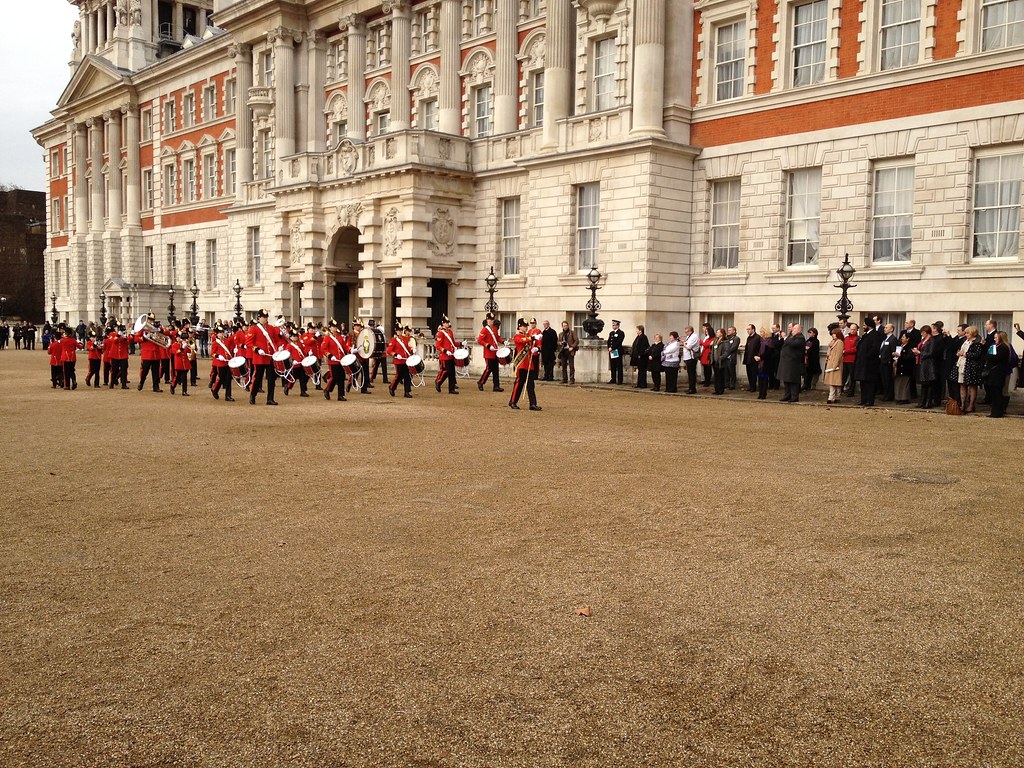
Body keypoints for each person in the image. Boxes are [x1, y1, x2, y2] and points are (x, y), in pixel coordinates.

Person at [248, 309, 281, 406]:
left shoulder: (271, 328)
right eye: (264, 317)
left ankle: (270, 398)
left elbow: (276, 340)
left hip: (270, 357)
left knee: (271, 379)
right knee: (257, 378)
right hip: (260, 357)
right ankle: (252, 395)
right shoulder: (254, 329)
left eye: (266, 317)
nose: (266, 319)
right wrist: (257, 349)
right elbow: (249, 343)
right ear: (259, 318)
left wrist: (279, 347)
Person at [508, 318, 541, 410]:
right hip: (521, 363)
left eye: (526, 326)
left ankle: (532, 404)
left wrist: (537, 349)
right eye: (524, 326)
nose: (526, 328)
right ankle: (513, 401)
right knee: (519, 384)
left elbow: (531, 345)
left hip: (529, 363)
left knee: (531, 385)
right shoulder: (517, 336)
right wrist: (532, 338)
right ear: (519, 327)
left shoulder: (528, 336)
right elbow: (521, 341)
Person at [955, 326, 985, 414]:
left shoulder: (977, 343)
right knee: (962, 385)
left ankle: (971, 405)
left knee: (972, 386)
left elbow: (977, 354)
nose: (966, 334)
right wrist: (959, 353)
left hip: (971, 366)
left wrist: (964, 353)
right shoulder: (965, 341)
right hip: (962, 364)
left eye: (968, 333)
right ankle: (963, 404)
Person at [854, 319, 882, 406]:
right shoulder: (866, 335)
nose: (863, 326)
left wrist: (867, 356)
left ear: (869, 325)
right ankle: (864, 399)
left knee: (870, 383)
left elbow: (875, 348)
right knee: (863, 382)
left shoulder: (875, 335)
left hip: (870, 364)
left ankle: (870, 400)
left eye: (864, 325)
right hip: (862, 363)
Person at [135, 314, 165, 392]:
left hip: (156, 353)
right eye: (150, 319)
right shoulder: (143, 329)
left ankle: (156, 386)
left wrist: (161, 331)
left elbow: (164, 336)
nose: (151, 321)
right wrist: (144, 338)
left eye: (152, 320)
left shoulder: (157, 328)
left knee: (156, 372)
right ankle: (141, 383)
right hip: (147, 354)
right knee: (145, 370)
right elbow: (136, 338)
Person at [322, 320, 349, 401]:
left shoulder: (339, 336)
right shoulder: (327, 337)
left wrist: (350, 350)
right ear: (330, 327)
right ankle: (327, 390)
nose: (335, 328)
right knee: (334, 377)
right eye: (333, 327)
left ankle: (340, 395)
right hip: (333, 361)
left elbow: (344, 347)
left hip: (341, 360)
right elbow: (323, 349)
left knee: (342, 377)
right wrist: (330, 356)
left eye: (335, 327)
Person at [913, 324, 939, 409]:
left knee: (929, 384)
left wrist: (920, 353)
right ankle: (922, 401)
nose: (922, 334)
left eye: (923, 333)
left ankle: (928, 402)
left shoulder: (931, 340)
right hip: (923, 363)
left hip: (929, 364)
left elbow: (931, 352)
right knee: (924, 384)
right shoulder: (923, 340)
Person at [477, 313, 505, 392]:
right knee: (488, 369)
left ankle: (496, 386)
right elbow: (480, 340)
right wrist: (488, 345)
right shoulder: (485, 329)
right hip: (488, 353)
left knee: (496, 370)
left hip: (495, 352)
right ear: (487, 320)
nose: (491, 321)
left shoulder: (495, 328)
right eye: (490, 319)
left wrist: (503, 342)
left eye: (493, 319)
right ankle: (481, 382)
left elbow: (497, 338)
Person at [778, 323, 806, 402]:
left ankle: (794, 396)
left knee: (793, 380)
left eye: (794, 329)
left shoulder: (800, 338)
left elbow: (794, 344)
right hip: (786, 362)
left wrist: (785, 337)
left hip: (794, 362)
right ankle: (787, 395)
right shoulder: (792, 337)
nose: (792, 330)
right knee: (786, 380)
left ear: (799, 330)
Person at [987, 331, 1012, 418]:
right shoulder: (995, 346)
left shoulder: (1004, 347)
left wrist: (990, 355)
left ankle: (997, 412)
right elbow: (989, 356)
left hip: (999, 372)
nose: (994, 339)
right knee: (994, 392)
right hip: (993, 372)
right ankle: (994, 411)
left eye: (996, 338)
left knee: (997, 392)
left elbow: (995, 358)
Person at [434, 315, 461, 394]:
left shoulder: (450, 332)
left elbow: (454, 343)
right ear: (443, 324)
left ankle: (451, 389)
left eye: (448, 322)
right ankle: (438, 381)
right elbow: (438, 345)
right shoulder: (441, 333)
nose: (448, 324)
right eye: (446, 323)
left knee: (452, 373)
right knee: (447, 371)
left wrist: (461, 343)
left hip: (451, 355)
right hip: (445, 356)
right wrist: (445, 351)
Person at [386, 325, 415, 398]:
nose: (400, 332)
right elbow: (389, 350)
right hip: (398, 361)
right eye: (398, 330)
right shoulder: (394, 340)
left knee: (407, 376)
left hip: (405, 361)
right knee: (399, 376)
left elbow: (407, 348)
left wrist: (411, 351)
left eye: (401, 330)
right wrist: (395, 354)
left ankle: (407, 392)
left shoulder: (405, 338)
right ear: (396, 331)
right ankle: (392, 387)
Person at [210, 325, 235, 401]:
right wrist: (218, 356)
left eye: (222, 332)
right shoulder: (215, 343)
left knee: (228, 379)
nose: (221, 334)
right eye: (220, 333)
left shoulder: (226, 340)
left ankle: (228, 395)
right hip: (220, 363)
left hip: (227, 362)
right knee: (220, 379)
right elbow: (212, 353)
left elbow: (230, 349)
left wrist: (234, 351)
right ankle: (215, 389)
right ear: (217, 334)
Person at [823, 326, 844, 403]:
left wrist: (835, 365)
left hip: (835, 364)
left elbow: (838, 354)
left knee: (834, 381)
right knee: (834, 382)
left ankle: (832, 397)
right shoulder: (833, 342)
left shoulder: (840, 342)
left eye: (834, 334)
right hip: (830, 363)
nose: (832, 335)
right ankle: (835, 396)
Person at [878, 324, 898, 401]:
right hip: (882, 362)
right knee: (884, 379)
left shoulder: (893, 339)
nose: (884, 329)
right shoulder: (885, 339)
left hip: (888, 362)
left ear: (891, 329)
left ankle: (889, 395)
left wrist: (892, 361)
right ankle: (885, 394)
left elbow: (893, 351)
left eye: (886, 328)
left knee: (888, 379)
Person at [558, 320, 579, 385]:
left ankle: (572, 379)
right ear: (562, 326)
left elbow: (576, 341)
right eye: (564, 326)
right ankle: (564, 379)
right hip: (563, 351)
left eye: (566, 325)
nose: (565, 327)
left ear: (568, 325)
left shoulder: (572, 332)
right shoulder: (561, 334)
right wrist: (560, 343)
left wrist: (572, 347)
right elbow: (558, 342)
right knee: (563, 366)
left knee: (571, 366)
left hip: (570, 350)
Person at [842, 323, 859, 396]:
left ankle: (851, 391)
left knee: (852, 376)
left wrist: (846, 351)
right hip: (845, 359)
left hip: (852, 360)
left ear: (857, 330)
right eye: (851, 329)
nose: (852, 331)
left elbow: (856, 349)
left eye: (854, 329)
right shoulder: (846, 338)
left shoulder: (858, 338)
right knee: (844, 376)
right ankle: (841, 389)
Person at [742, 324, 761, 392]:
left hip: (754, 359)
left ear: (753, 329)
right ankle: (751, 386)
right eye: (747, 329)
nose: (748, 331)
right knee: (749, 373)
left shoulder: (757, 337)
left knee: (753, 374)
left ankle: (753, 387)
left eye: (749, 329)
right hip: (748, 358)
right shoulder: (749, 338)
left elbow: (759, 348)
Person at [606, 319, 624, 384]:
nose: (613, 326)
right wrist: (609, 347)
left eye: (614, 325)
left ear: (618, 325)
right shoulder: (611, 333)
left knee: (618, 365)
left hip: (617, 350)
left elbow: (619, 342)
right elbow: (609, 341)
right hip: (612, 351)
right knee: (612, 365)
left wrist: (612, 348)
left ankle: (620, 380)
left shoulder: (620, 333)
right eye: (612, 325)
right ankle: (613, 378)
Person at [682, 326, 700, 394]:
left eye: (686, 332)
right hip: (687, 356)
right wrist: (685, 343)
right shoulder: (689, 336)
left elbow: (688, 347)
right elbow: (687, 344)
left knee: (692, 373)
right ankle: (690, 387)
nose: (685, 333)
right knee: (689, 373)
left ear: (690, 331)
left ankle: (692, 389)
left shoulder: (694, 336)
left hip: (691, 357)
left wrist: (684, 344)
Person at [710, 328, 727, 395]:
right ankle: (716, 389)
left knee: (720, 376)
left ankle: (720, 390)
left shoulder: (725, 341)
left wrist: (721, 357)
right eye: (716, 332)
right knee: (716, 376)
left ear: (721, 333)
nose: (716, 333)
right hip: (714, 360)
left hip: (720, 361)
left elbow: (727, 351)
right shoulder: (715, 340)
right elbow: (713, 350)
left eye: (718, 332)